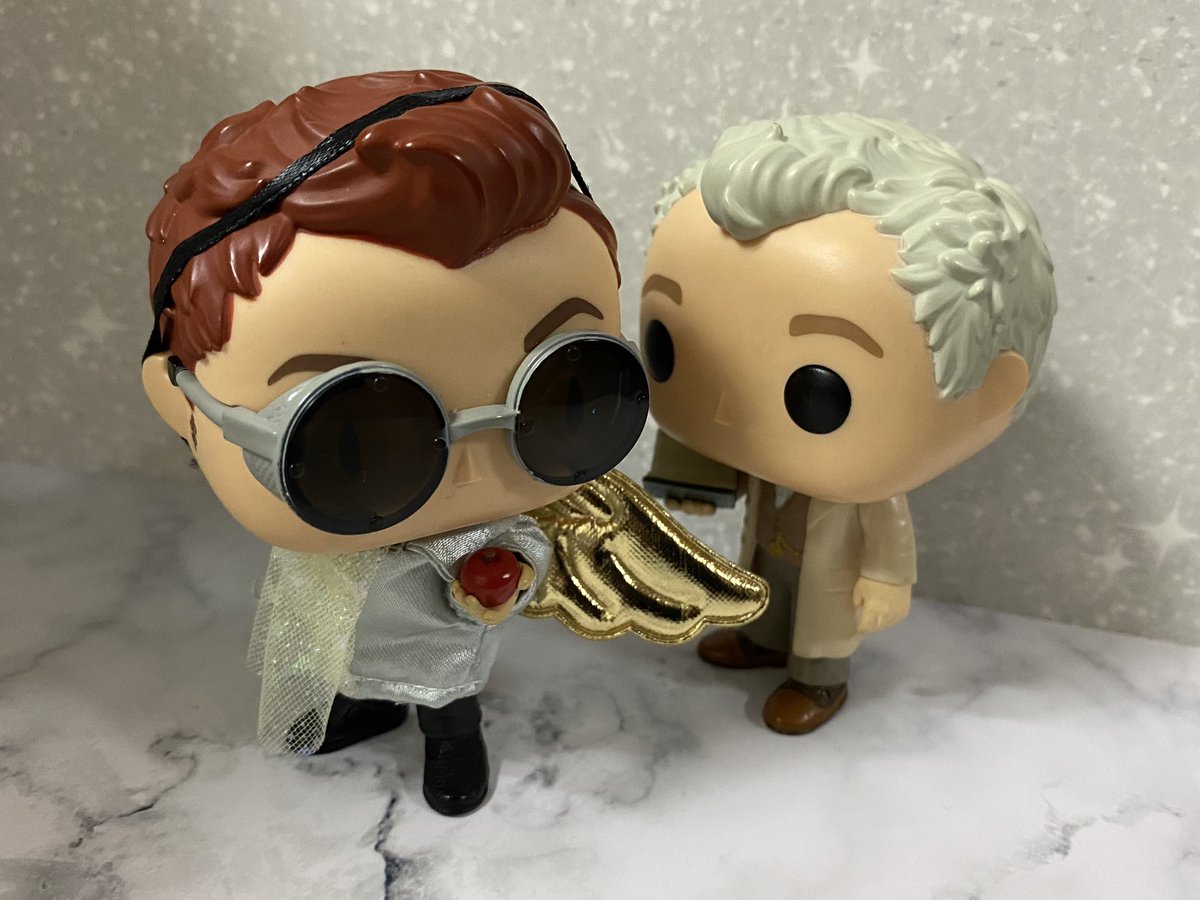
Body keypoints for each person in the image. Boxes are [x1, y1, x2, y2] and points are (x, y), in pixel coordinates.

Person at [140, 70, 647, 815]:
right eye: (352, 436)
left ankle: (453, 740)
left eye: (567, 394)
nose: (472, 463)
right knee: (340, 660)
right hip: (341, 607)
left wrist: (503, 572)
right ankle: (360, 707)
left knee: (445, 686)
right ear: (179, 404)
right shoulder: (312, 566)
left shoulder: (480, 533)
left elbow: (525, 550)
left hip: (440, 622)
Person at [641, 113, 1056, 735]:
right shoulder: (762, 455)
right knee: (766, 595)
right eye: (667, 344)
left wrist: (888, 580)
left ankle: (819, 680)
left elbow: (889, 532)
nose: (727, 412)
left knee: (822, 626)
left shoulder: (865, 493)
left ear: (987, 397)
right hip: (770, 547)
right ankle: (760, 641)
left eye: (818, 392)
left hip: (831, 570)